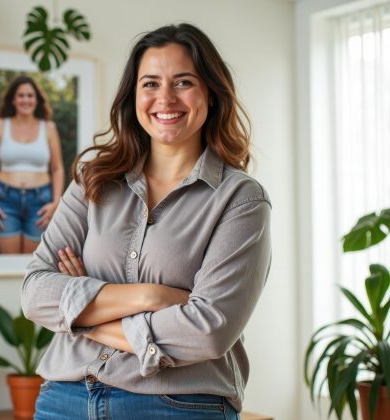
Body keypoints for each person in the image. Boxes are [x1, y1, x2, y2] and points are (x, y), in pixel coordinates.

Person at [21, 23, 271, 419]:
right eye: (150, 83)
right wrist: (153, 297)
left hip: (177, 407)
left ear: (210, 92)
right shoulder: (93, 180)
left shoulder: (241, 199)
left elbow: (208, 331)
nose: (165, 98)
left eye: (183, 81)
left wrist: (81, 315)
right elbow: (36, 293)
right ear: (133, 96)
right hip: (63, 400)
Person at [0, 75, 64, 254]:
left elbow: (57, 168)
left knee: (30, 266)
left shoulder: (49, 128)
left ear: (37, 100)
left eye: (30, 95)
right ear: (13, 99)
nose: (25, 100)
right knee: (9, 265)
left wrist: (56, 202)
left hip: (40, 201)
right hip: (5, 200)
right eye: (20, 95)